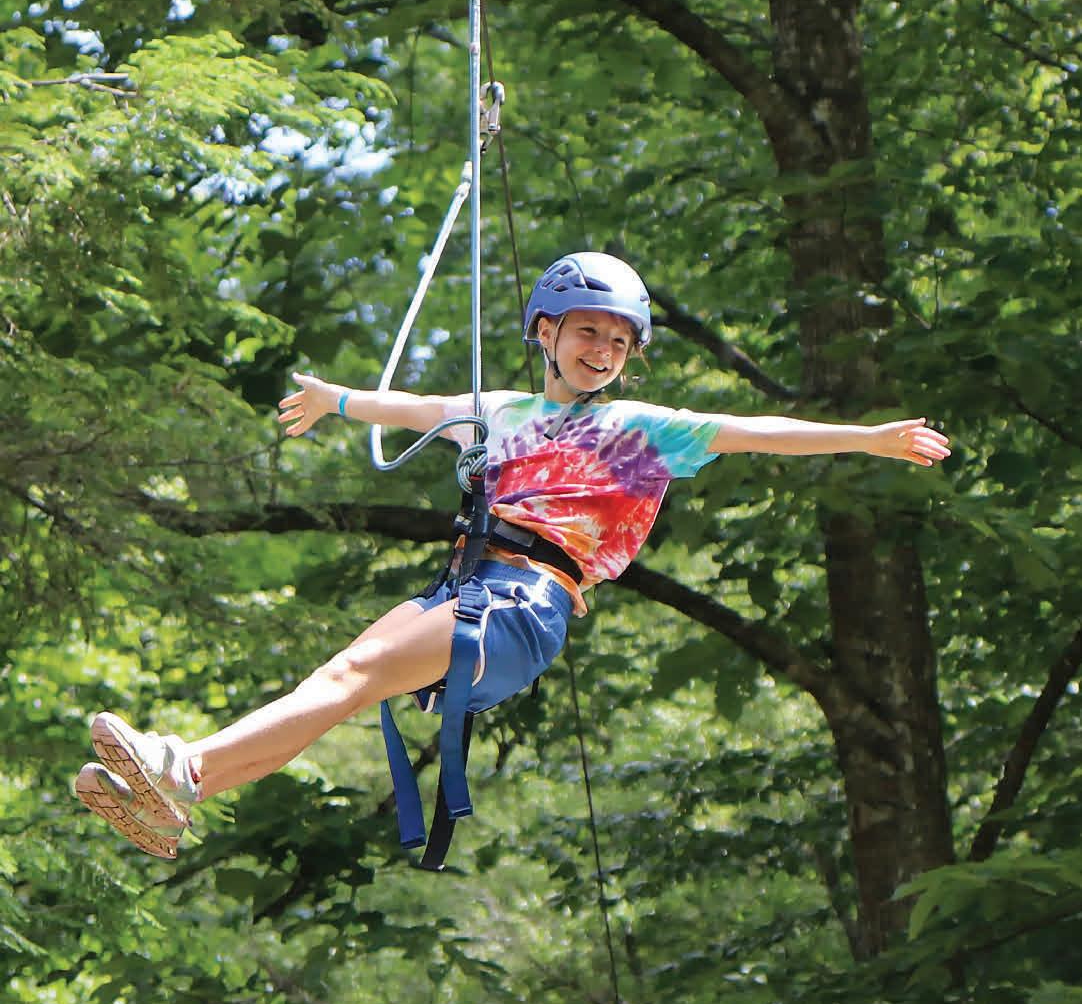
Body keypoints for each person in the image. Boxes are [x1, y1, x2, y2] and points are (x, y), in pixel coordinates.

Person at [74, 253, 951, 859]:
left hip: (525, 604)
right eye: (588, 332)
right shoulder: (499, 410)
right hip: (464, 586)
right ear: (545, 329)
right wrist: (336, 400)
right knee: (339, 683)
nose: (602, 352)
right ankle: (188, 788)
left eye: (618, 342)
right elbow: (415, 409)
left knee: (354, 673)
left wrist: (868, 437)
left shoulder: (637, 429)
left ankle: (179, 764)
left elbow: (752, 431)